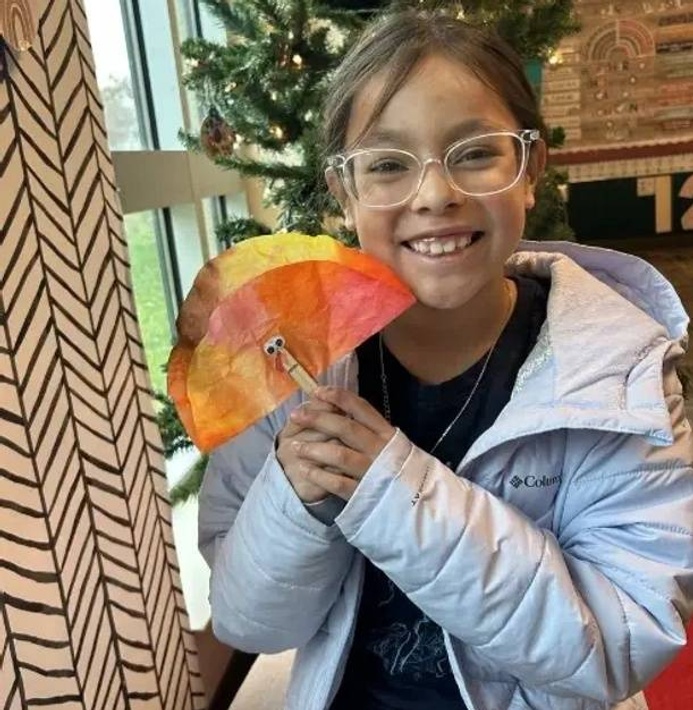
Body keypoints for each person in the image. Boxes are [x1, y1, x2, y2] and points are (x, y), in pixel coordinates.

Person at [185, 8, 693, 710]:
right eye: (388, 165)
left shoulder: (618, 376)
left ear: (529, 168)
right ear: (344, 192)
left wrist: (392, 493)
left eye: (475, 152)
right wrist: (295, 501)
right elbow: (253, 623)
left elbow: (620, 643)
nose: (433, 195)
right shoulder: (290, 369)